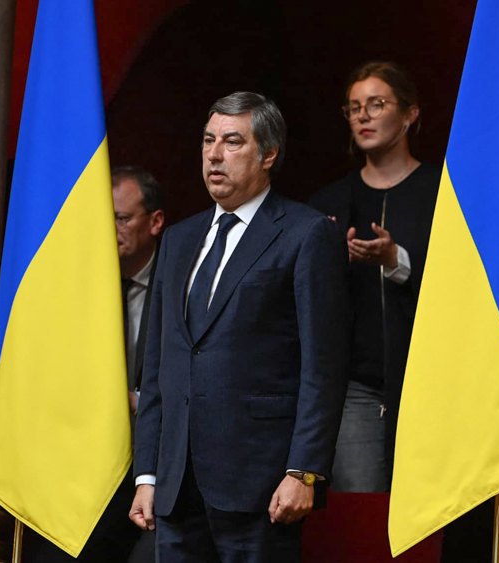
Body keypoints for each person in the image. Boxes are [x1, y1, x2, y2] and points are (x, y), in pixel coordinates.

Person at [129, 91, 349, 562]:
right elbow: (157, 365)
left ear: (268, 154)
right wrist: (147, 475)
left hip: (261, 480)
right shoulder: (178, 240)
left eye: (232, 142)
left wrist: (304, 471)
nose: (213, 154)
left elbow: (323, 364)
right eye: (208, 140)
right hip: (176, 482)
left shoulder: (305, 233)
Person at [309, 61, 441, 492]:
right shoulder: (328, 202)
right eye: (353, 108)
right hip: (358, 389)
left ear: (410, 114)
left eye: (377, 104)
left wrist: (395, 259)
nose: (362, 116)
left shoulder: (442, 194)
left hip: (433, 387)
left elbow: (464, 289)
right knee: (365, 514)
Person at [24, 166, 165, 563]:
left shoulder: (179, 283)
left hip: (152, 460)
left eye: (122, 218)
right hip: (81, 467)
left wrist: (138, 400)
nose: (110, 228)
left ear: (155, 222)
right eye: (104, 218)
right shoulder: (74, 288)